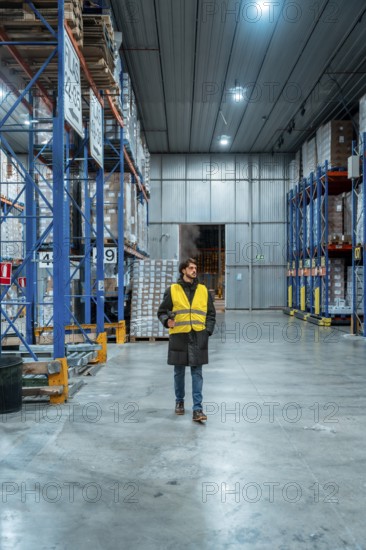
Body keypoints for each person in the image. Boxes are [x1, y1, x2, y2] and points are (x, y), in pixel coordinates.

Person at [157, 258, 216, 422]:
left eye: (195, 268)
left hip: (198, 335)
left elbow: (211, 314)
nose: (194, 270)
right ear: (183, 270)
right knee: (179, 372)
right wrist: (166, 321)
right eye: (191, 268)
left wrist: (207, 331)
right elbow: (162, 311)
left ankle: (198, 409)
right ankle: (179, 402)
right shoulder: (173, 290)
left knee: (197, 372)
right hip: (179, 335)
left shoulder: (204, 290)